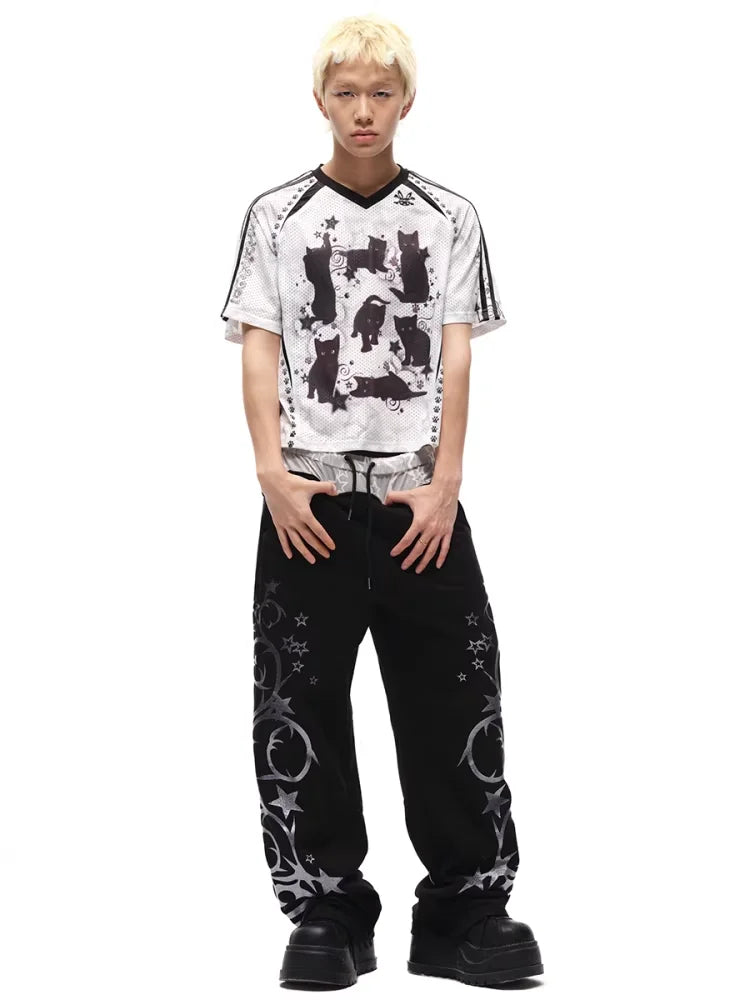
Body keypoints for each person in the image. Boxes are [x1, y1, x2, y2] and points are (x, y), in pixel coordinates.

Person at [220, 13, 543, 990]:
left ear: (407, 100)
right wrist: (272, 473)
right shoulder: (277, 217)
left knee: (455, 701)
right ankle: (326, 908)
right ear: (320, 99)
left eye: (381, 92)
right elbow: (260, 346)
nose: (363, 110)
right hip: (310, 502)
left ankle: (466, 910)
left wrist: (446, 483)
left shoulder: (448, 217)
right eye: (347, 92)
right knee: (299, 707)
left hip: (417, 502)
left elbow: (454, 351)